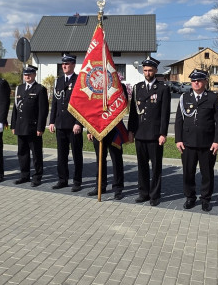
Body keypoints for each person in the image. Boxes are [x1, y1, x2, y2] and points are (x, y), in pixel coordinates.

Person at [174, 70, 218, 211]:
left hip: (207, 143)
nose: (196, 83)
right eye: (193, 80)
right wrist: (178, 139)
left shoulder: (214, 98)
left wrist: (217, 141)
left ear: (205, 81)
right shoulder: (184, 97)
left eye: (199, 80)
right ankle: (190, 197)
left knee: (207, 173)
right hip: (187, 143)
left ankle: (206, 199)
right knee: (188, 172)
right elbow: (179, 121)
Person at [127, 57, 171, 206]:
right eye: (145, 70)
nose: (147, 73)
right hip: (140, 134)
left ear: (156, 71)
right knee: (142, 166)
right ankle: (143, 193)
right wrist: (131, 131)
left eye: (150, 70)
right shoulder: (137, 88)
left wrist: (163, 133)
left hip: (154, 135)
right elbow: (133, 113)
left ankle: (154, 195)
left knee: (156, 167)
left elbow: (165, 114)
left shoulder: (163, 89)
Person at [87, 86, 130, 200]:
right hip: (98, 129)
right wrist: (89, 129)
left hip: (114, 129)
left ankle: (118, 188)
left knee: (116, 160)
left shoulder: (119, 86)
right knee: (100, 159)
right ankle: (100, 186)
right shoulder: (95, 88)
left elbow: (124, 105)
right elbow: (90, 108)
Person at [49, 54, 84, 191]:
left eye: (67, 64)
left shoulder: (79, 80)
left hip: (73, 125)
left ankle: (77, 181)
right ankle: (62, 180)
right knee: (61, 155)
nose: (64, 66)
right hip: (60, 123)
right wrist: (52, 121)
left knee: (76, 155)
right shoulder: (58, 81)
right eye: (63, 64)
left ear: (73, 65)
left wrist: (78, 122)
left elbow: (82, 104)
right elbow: (55, 103)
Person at [11, 65, 49, 186]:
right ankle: (24, 175)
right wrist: (13, 125)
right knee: (22, 153)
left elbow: (43, 111)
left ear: (34, 75)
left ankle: (37, 176)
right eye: (25, 74)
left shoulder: (40, 89)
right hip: (20, 126)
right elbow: (15, 109)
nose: (27, 76)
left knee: (36, 153)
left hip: (33, 127)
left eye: (29, 74)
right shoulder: (20, 88)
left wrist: (40, 127)